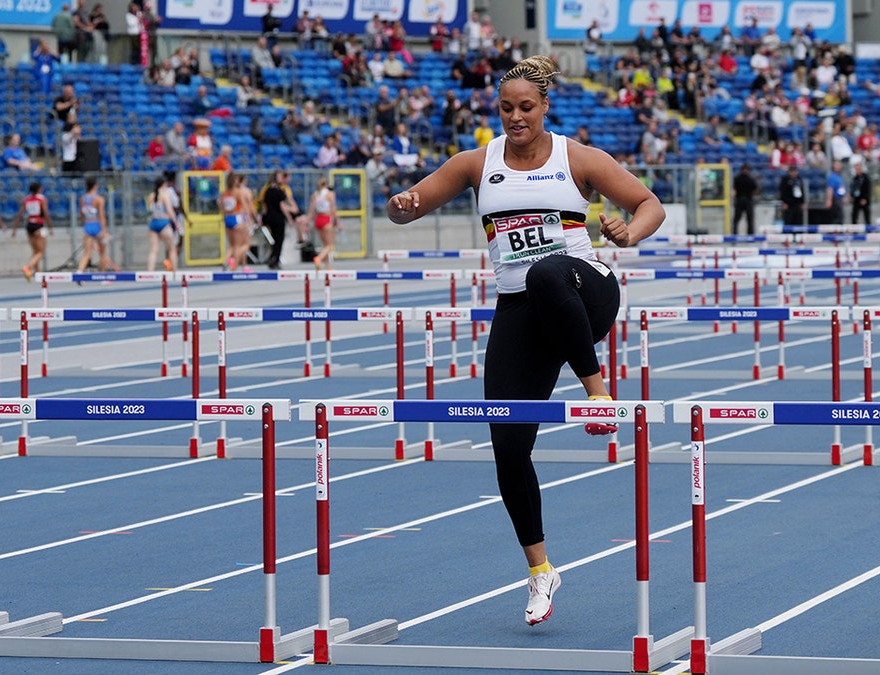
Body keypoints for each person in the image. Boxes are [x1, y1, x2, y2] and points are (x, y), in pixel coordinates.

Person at [386, 55, 664, 626]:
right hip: (522, 311)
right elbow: (409, 209)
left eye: (526, 108)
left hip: (586, 293)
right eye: (507, 109)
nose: (516, 118)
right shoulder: (476, 162)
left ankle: (597, 395)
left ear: (545, 107)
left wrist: (627, 231)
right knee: (509, 447)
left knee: (547, 270)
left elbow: (648, 204)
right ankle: (541, 572)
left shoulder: (577, 157)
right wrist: (402, 206)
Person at [76, 177, 116, 274]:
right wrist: (104, 230)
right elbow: (101, 215)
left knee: (87, 253)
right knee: (102, 253)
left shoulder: (83, 199)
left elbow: (81, 214)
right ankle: (103, 276)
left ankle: (79, 271)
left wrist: (85, 223)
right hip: (97, 225)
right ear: (95, 186)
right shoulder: (99, 199)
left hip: (88, 225)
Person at [12, 181, 51, 281]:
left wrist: (14, 228)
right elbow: (45, 212)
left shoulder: (27, 199)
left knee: (35, 251)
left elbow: (20, 214)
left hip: (29, 224)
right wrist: (50, 226)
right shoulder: (41, 199)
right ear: (39, 189)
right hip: (38, 224)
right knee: (41, 252)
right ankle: (28, 267)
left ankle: (37, 274)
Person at [259, 170, 297, 269]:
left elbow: (264, 207)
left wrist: (263, 218)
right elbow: (282, 206)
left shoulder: (266, 191)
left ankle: (272, 257)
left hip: (269, 217)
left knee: (274, 239)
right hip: (278, 218)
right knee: (279, 240)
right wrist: (289, 218)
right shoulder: (279, 191)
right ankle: (275, 259)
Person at [220, 172, 253, 271]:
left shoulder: (224, 193)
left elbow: (221, 206)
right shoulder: (238, 192)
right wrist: (249, 219)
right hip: (236, 217)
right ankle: (234, 267)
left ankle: (226, 262)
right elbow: (245, 206)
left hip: (227, 218)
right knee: (242, 245)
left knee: (232, 245)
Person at [306, 175, 339, 271]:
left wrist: (307, 221)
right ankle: (319, 258)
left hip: (318, 219)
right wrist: (337, 221)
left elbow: (311, 211)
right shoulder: (330, 194)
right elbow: (333, 208)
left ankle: (327, 266)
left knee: (325, 244)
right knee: (330, 245)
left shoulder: (315, 195)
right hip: (326, 218)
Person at [147, 175, 178, 270]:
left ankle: (150, 272)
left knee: (153, 250)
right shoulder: (165, 195)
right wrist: (176, 223)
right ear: (163, 184)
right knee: (172, 248)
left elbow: (151, 210)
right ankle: (175, 271)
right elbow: (170, 210)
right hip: (163, 222)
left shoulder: (151, 196)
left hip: (153, 222)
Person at [732, 164, 758, 234]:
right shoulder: (750, 179)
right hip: (744, 199)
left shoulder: (737, 178)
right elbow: (755, 189)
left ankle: (749, 234)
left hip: (744, 199)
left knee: (748, 219)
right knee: (738, 219)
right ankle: (736, 234)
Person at [849, 160, 872, 224]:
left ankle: (868, 231)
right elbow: (853, 188)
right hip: (857, 199)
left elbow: (868, 188)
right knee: (854, 215)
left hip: (864, 199)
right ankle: (854, 230)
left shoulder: (865, 178)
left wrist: (865, 198)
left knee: (867, 216)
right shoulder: (855, 178)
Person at [825, 160, 847, 225]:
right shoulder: (832, 177)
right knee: (837, 217)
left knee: (840, 217)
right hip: (835, 199)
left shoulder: (839, 176)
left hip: (840, 199)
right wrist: (829, 200)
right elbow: (830, 189)